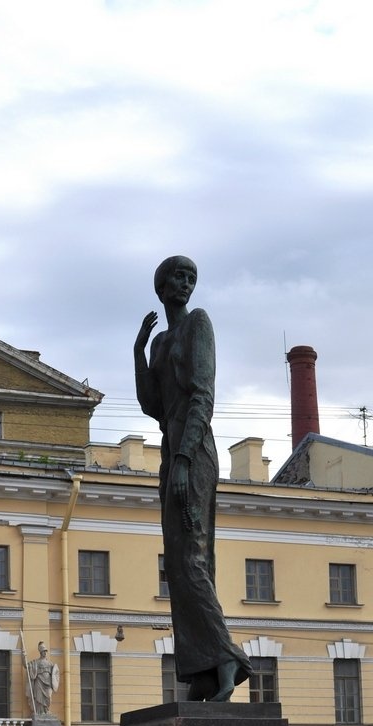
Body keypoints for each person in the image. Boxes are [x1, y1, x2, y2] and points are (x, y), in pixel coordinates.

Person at [134, 255, 251, 701]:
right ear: (161, 287)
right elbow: (152, 406)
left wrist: (184, 459)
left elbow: (204, 394)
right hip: (172, 449)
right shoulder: (162, 341)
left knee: (191, 559)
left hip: (194, 450)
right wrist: (139, 352)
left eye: (190, 278)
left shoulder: (198, 323)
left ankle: (224, 657)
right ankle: (202, 670)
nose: (184, 284)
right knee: (178, 564)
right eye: (176, 277)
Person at [28, 642, 60, 715]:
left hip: (48, 684)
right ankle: (40, 712)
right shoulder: (36, 662)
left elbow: (55, 673)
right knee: (39, 698)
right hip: (39, 682)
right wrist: (23, 657)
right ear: (40, 652)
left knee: (48, 697)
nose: (45, 653)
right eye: (43, 651)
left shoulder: (50, 663)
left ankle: (46, 710)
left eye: (45, 651)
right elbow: (26, 666)